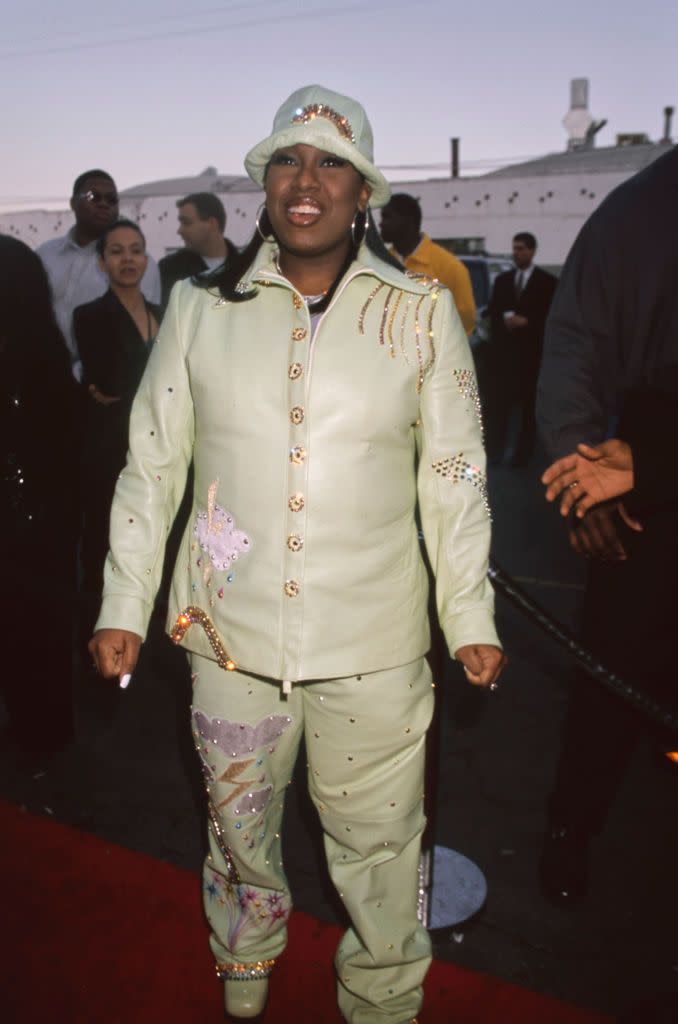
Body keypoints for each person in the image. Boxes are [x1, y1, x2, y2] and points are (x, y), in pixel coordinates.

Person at [89, 84, 504, 1024]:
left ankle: (383, 997)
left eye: (330, 163)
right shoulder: (200, 308)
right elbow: (151, 467)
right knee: (238, 829)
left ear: (363, 191)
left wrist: (468, 615)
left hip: (377, 649)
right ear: (265, 185)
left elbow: (454, 477)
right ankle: (246, 964)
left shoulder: (420, 313)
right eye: (287, 160)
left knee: (384, 847)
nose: (305, 180)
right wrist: (123, 603)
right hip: (228, 639)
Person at [536, 145, 678, 906]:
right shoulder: (637, 209)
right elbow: (575, 348)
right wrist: (581, 485)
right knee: (610, 682)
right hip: (640, 493)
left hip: (647, 463)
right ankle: (571, 830)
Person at [0, 235, 79, 765]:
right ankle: (46, 727)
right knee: (44, 625)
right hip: (47, 516)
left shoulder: (20, 349)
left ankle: (36, 725)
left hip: (20, 512)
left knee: (23, 623)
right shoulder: (48, 346)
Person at [74, 219, 161, 636]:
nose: (128, 259)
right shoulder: (88, 316)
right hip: (110, 452)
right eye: (117, 251)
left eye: (136, 249)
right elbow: (111, 380)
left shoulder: (167, 314)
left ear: (147, 257)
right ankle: (102, 637)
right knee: (106, 548)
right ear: (102, 263)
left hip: (160, 448)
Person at [37, 169, 160, 378]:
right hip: (42, 375)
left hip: (104, 383)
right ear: (73, 203)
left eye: (111, 199)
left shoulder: (136, 264)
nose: (104, 204)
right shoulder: (45, 255)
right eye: (94, 196)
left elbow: (140, 334)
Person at [486, 232, 557, 466]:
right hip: (505, 357)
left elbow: (551, 318)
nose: (517, 253)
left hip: (531, 357)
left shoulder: (547, 282)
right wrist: (503, 321)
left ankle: (523, 456)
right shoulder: (503, 281)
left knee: (528, 410)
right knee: (500, 408)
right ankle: (495, 453)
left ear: (533, 251)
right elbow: (494, 312)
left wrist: (528, 322)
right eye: (515, 248)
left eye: (522, 249)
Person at [379, 193, 476, 335]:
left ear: (408, 221)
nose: (381, 223)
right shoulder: (380, 263)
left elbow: (466, 320)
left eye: (387, 217)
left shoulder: (450, 267)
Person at [158, 192, 236, 310]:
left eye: (187, 223)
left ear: (212, 224)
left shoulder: (247, 266)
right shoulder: (170, 269)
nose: (180, 230)